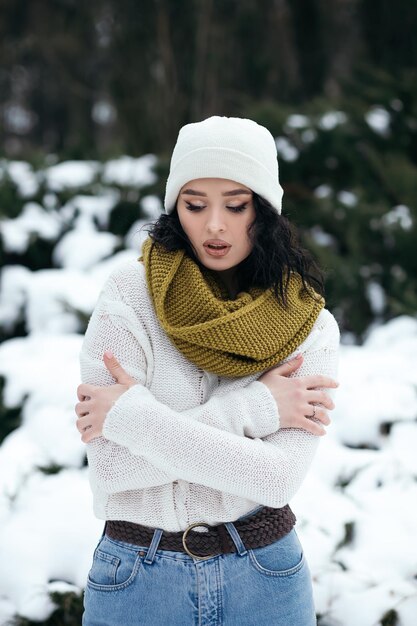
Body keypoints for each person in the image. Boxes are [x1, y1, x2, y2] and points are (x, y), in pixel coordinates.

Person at [75, 116, 340, 626]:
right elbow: (113, 469)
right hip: (137, 576)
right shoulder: (130, 297)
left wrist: (133, 419)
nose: (214, 225)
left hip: (264, 575)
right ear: (177, 208)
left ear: (263, 212)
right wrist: (259, 406)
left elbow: (275, 477)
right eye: (195, 205)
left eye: (235, 205)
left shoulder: (307, 322)